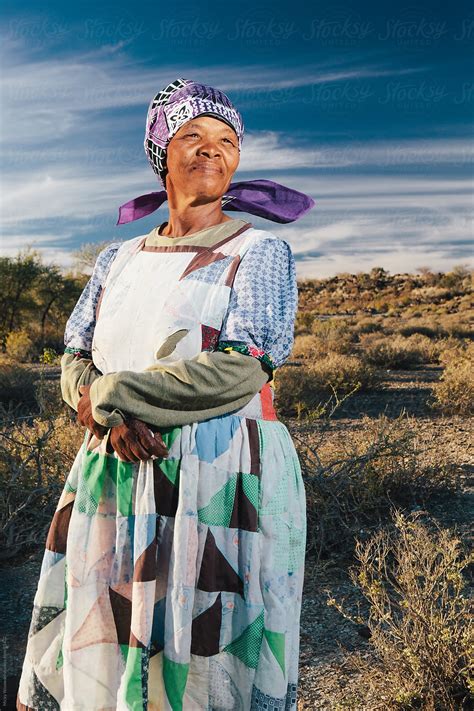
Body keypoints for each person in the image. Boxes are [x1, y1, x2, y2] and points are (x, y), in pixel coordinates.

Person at [16, 78, 315, 711]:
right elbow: (74, 355)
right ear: (161, 151)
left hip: (224, 472)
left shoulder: (259, 252)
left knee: (206, 646)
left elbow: (243, 368)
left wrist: (115, 397)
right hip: (116, 467)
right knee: (114, 632)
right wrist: (106, 413)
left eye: (227, 141)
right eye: (193, 136)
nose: (213, 150)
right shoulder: (116, 259)